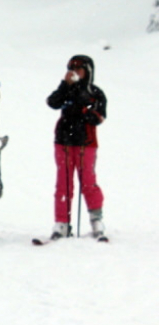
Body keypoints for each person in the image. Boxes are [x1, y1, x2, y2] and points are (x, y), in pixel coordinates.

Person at [46, 54, 107, 239]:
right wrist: (65, 86)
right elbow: (52, 102)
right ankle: (62, 223)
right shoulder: (66, 89)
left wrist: (82, 108)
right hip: (63, 141)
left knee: (88, 182)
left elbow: (99, 117)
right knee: (63, 184)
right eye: (71, 69)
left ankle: (96, 220)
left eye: (78, 69)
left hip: (85, 143)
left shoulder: (95, 93)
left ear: (87, 72)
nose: (74, 73)